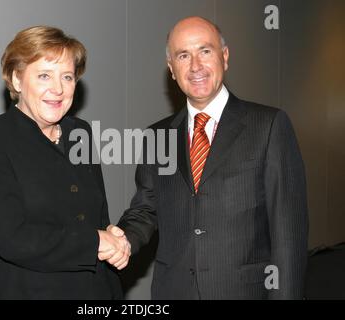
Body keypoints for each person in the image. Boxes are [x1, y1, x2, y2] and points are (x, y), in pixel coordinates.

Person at [113, 16, 309, 299]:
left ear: (225, 57)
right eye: (183, 55)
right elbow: (146, 209)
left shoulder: (269, 126)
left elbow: (288, 232)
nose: (195, 66)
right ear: (171, 69)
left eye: (205, 51)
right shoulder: (156, 136)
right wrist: (122, 239)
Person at [0, 26, 129, 299]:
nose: (58, 89)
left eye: (67, 77)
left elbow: (95, 217)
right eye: (44, 75)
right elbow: (11, 239)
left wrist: (112, 238)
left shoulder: (80, 133)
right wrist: (96, 241)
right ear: (17, 80)